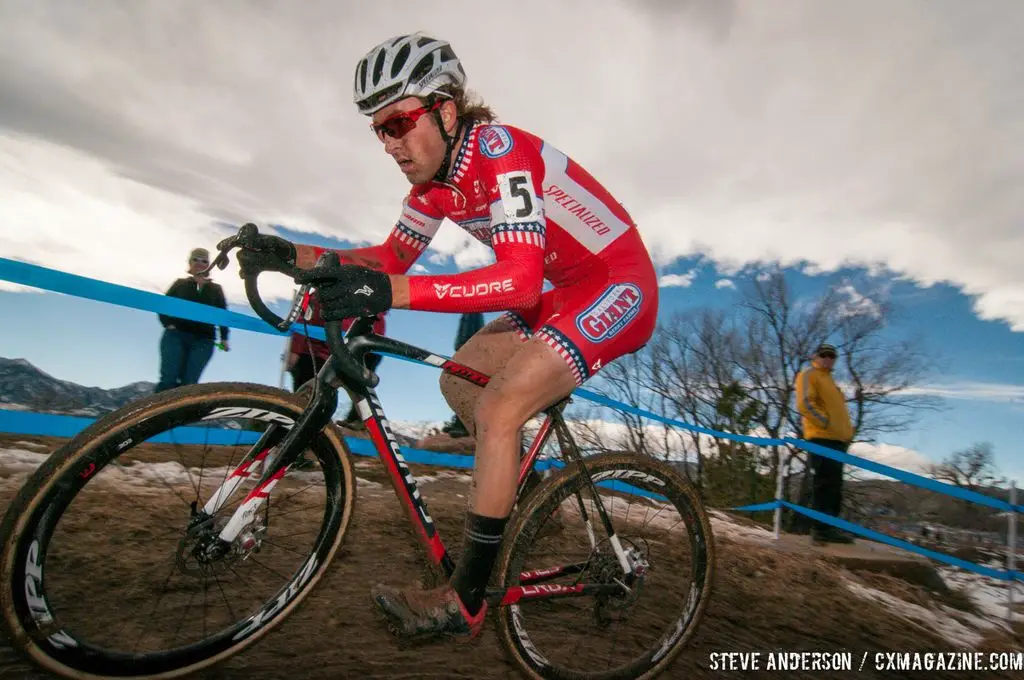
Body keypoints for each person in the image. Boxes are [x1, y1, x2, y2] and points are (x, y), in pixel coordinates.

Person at [243, 32, 659, 641]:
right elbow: (388, 257)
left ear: (444, 109)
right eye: (378, 131)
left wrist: (387, 294)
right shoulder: (432, 187)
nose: (390, 144)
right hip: (559, 291)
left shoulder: (499, 150)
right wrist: (294, 254)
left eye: (399, 123)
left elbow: (517, 281)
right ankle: (522, 488)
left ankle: (463, 602)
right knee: (458, 377)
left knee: (497, 407)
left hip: (617, 284)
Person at [286, 286, 386, 429]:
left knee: (322, 398)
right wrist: (295, 350)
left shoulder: (365, 296)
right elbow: (304, 318)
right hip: (319, 352)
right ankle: (304, 427)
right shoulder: (322, 295)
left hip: (339, 350)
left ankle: (356, 420)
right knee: (314, 399)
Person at [794, 342, 855, 545]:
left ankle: (830, 529)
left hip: (838, 441)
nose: (828, 358)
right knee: (824, 484)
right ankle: (820, 530)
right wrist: (825, 423)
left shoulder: (831, 382)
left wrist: (846, 433)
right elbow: (804, 403)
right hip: (821, 438)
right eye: (824, 355)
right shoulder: (808, 375)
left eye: (832, 356)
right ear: (816, 356)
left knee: (835, 486)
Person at [155, 247, 230, 392]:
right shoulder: (180, 284)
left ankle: (182, 414)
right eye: (196, 259)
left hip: (204, 340)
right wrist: (168, 324)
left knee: (189, 383)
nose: (199, 263)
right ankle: (157, 412)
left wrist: (224, 338)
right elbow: (164, 305)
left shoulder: (216, 289)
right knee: (168, 379)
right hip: (176, 335)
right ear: (190, 263)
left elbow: (223, 314)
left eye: (204, 261)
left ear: (209, 265)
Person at [439, 312, 485, 438]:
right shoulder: (473, 312)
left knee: (464, 388)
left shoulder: (472, 312)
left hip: (469, 351)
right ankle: (461, 422)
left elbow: (468, 332)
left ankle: (463, 425)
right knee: (462, 389)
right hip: (470, 349)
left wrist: (462, 346)